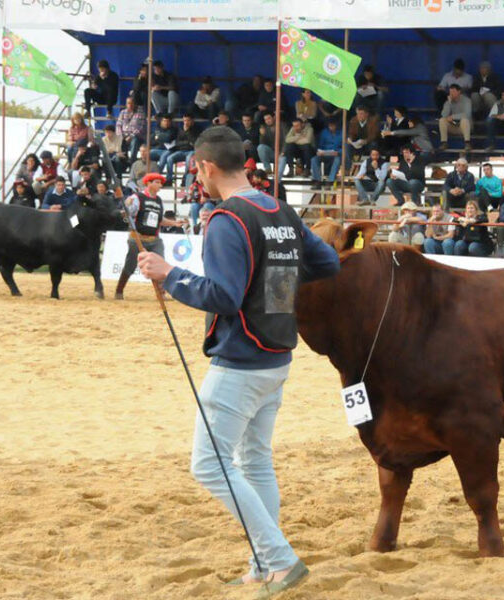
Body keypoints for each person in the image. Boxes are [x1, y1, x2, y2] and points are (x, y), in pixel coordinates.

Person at [136, 126, 339, 595]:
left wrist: (170, 275)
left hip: (242, 360)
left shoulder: (227, 219)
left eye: (197, 172)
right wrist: (278, 281)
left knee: (209, 465)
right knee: (254, 461)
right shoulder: (280, 209)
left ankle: (280, 559)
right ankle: (262, 564)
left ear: (206, 167)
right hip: (277, 355)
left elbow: (224, 297)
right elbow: (326, 263)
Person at [113, 172, 174, 299]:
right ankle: (119, 290)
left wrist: (175, 223)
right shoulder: (137, 198)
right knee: (130, 265)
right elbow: (127, 213)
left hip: (154, 239)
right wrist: (126, 205)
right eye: (157, 182)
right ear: (148, 183)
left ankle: (161, 292)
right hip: (137, 238)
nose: (160, 185)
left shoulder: (159, 201)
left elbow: (159, 220)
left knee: (159, 263)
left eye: (160, 183)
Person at [160, 114, 199, 181]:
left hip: (191, 151)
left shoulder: (196, 129)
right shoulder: (180, 130)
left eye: (188, 120)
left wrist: (187, 132)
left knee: (188, 159)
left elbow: (194, 142)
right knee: (169, 158)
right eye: (184, 120)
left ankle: (185, 178)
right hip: (181, 151)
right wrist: (187, 143)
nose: (186, 122)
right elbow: (178, 143)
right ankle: (169, 179)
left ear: (192, 121)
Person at [438, 84, 473, 151]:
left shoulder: (467, 101)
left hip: (465, 127)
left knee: (464, 120)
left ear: (459, 91)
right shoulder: (448, 102)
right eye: (450, 92)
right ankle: (444, 143)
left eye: (453, 92)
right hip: (453, 126)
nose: (451, 94)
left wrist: (453, 117)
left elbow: (467, 114)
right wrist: (449, 103)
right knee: (442, 120)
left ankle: (467, 143)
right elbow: (443, 115)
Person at [310, 119, 342, 189]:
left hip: (335, 155)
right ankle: (317, 180)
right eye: (330, 126)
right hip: (325, 154)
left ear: (336, 125)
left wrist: (338, 152)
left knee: (337, 160)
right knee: (314, 159)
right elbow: (320, 145)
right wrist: (319, 151)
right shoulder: (324, 132)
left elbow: (344, 147)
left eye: (333, 126)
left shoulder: (341, 133)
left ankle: (330, 181)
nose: (331, 127)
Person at [116, 96, 147, 163]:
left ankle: (132, 162)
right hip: (124, 135)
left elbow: (140, 128)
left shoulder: (140, 113)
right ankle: (123, 161)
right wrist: (121, 136)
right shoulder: (123, 112)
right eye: (128, 103)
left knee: (135, 140)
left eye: (131, 103)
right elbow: (118, 125)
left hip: (136, 136)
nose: (130, 105)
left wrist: (131, 136)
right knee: (119, 141)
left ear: (135, 104)